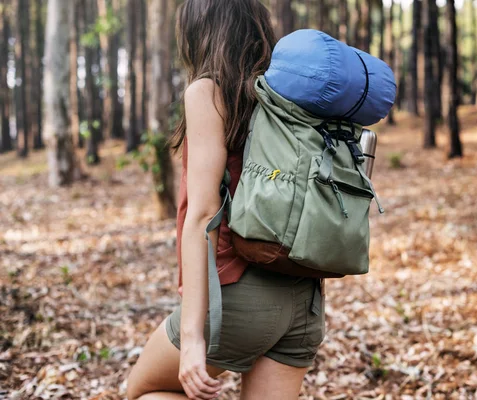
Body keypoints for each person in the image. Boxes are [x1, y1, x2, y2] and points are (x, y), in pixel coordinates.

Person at [126, 1, 326, 399]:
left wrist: (193, 337)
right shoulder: (289, 95)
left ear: (199, 30)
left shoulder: (209, 91)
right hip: (305, 301)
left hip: (238, 297)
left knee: (142, 392)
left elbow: (201, 216)